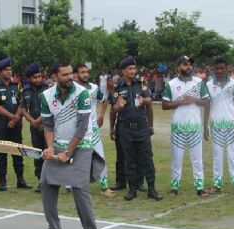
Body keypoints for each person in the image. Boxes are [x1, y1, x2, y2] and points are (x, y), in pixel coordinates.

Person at [39, 60, 97, 229]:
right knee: (45, 184)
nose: (70, 77)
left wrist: (68, 153)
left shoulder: (82, 93)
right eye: (65, 74)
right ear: (55, 77)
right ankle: (54, 228)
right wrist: (50, 148)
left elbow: (82, 127)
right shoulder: (46, 96)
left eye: (71, 73)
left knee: (79, 187)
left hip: (81, 144)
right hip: (58, 144)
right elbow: (48, 125)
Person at [109, 56, 162, 201]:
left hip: (141, 127)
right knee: (129, 159)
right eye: (129, 69)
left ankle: (151, 188)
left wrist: (145, 101)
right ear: (122, 71)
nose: (133, 71)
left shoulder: (142, 82)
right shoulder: (116, 87)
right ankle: (132, 189)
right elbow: (113, 109)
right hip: (125, 127)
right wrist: (118, 107)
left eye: (134, 68)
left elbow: (149, 101)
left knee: (147, 158)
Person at [162, 55, 210, 197]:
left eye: (189, 64)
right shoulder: (171, 84)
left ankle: (200, 187)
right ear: (178, 68)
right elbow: (164, 104)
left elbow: (207, 103)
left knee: (197, 159)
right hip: (178, 128)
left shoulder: (199, 82)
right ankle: (175, 186)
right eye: (185, 64)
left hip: (195, 127)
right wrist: (181, 102)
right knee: (177, 158)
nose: (188, 67)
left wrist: (194, 99)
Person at [203, 57, 234, 195]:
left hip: (231, 126)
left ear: (227, 68)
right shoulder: (209, 85)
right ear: (213, 69)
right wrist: (205, 127)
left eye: (222, 68)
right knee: (217, 156)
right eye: (217, 68)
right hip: (216, 126)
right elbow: (207, 107)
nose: (219, 71)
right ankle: (217, 184)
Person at [74, 63, 115, 198]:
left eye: (87, 72)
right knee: (74, 157)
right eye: (82, 72)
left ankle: (104, 186)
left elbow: (104, 100)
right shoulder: (71, 90)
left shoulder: (94, 88)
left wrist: (101, 116)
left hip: (93, 130)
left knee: (100, 157)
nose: (85, 74)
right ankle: (72, 183)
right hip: (76, 131)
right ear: (76, 74)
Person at [0, 58, 31, 191]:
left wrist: (15, 119)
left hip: (16, 123)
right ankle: (2, 181)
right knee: (2, 151)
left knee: (18, 150)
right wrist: (11, 116)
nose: (9, 72)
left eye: (10, 69)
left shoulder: (16, 85)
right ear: (0, 72)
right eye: (6, 70)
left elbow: (22, 103)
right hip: (1, 123)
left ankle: (21, 179)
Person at [21, 63, 48, 193]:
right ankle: (40, 181)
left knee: (48, 153)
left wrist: (40, 120)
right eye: (34, 77)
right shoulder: (26, 91)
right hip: (35, 128)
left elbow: (52, 107)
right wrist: (32, 121)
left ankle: (49, 182)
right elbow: (23, 109)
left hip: (48, 126)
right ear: (29, 79)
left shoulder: (48, 89)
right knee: (38, 153)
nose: (37, 79)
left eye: (39, 76)